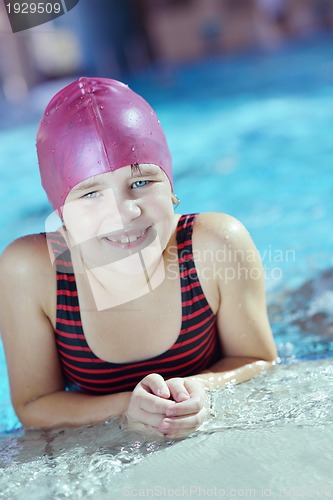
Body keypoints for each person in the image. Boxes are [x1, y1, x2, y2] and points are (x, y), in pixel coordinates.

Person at [0, 77, 277, 439]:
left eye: (142, 182)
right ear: (62, 212)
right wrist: (128, 408)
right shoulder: (33, 270)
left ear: (171, 188)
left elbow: (258, 359)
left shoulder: (216, 244)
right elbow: (34, 404)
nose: (124, 212)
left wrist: (203, 390)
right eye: (90, 193)